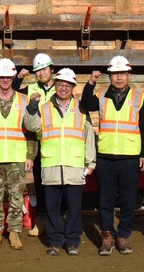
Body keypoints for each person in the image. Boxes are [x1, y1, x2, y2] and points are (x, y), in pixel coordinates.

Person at [80, 55, 144, 256]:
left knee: (129, 199)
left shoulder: (139, 98)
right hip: (106, 157)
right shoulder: (101, 97)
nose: (119, 78)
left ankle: (123, 235)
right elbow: (85, 102)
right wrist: (91, 82)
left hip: (130, 157)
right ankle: (107, 236)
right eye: (115, 74)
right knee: (105, 199)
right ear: (109, 76)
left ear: (128, 75)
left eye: (123, 74)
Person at [23, 68, 96, 256]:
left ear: (73, 87)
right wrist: (31, 107)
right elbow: (31, 126)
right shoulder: (44, 107)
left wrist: (91, 162)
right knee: (51, 207)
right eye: (60, 84)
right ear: (55, 85)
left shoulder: (81, 108)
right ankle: (55, 241)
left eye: (68, 85)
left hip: (74, 166)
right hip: (51, 165)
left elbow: (88, 136)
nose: (64, 88)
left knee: (73, 207)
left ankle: (72, 241)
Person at [0, 58, 34, 251]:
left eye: (8, 76)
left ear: (12, 77)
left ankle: (14, 231)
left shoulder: (24, 100)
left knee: (16, 196)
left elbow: (32, 131)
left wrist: (30, 156)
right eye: (1, 77)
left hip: (16, 157)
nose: (5, 80)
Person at [13, 53, 56, 237]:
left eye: (44, 69)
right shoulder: (30, 89)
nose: (41, 73)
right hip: (37, 143)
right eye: (38, 71)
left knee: (57, 183)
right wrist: (18, 77)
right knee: (40, 182)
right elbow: (13, 93)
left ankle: (58, 218)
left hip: (57, 142)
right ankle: (43, 219)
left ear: (51, 70)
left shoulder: (62, 87)